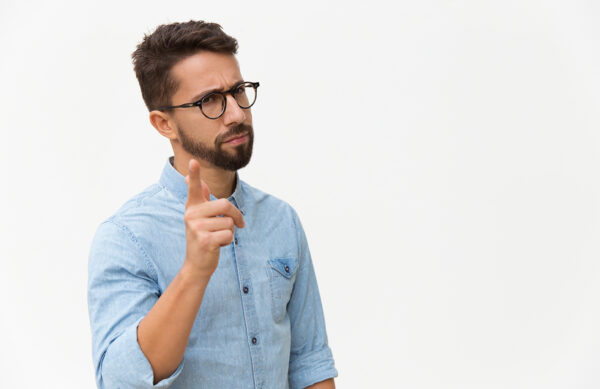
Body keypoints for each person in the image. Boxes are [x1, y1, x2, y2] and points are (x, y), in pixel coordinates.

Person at [87, 20, 338, 389]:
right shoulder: (126, 237)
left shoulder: (281, 219)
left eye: (238, 91)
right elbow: (121, 381)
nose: (236, 113)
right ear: (163, 124)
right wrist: (194, 272)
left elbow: (310, 364)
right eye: (210, 101)